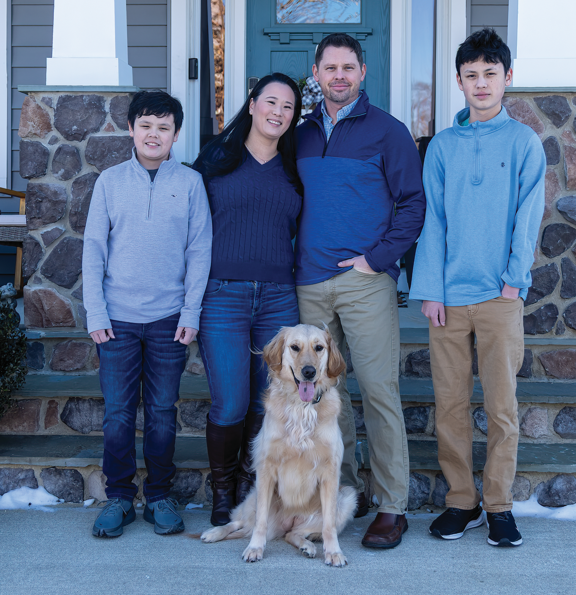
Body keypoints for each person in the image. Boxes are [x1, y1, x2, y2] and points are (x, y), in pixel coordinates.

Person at [409, 28, 546, 548]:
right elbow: (433, 221)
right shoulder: (443, 146)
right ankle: (462, 501)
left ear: (507, 78)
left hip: (499, 298)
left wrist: (514, 282)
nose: (482, 83)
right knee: (450, 407)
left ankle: (499, 506)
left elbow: (527, 217)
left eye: (491, 74)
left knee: (501, 408)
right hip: (447, 299)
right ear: (460, 81)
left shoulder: (524, 142)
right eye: (472, 75)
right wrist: (430, 288)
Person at [295, 33, 426, 550]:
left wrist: (376, 259)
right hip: (309, 281)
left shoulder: (388, 132)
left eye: (348, 67)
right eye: (330, 68)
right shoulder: (301, 134)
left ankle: (393, 505)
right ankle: (346, 492)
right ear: (316, 74)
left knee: (377, 390)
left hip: (364, 281)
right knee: (326, 397)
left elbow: (412, 204)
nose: (339, 76)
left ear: (363, 72)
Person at [83, 90, 212, 538]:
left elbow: (199, 251)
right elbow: (94, 250)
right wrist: (96, 312)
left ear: (175, 134)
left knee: (161, 411)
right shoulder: (110, 182)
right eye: (145, 126)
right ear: (131, 129)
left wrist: (191, 311)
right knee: (118, 413)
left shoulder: (191, 183)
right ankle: (119, 497)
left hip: (169, 319)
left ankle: (159, 496)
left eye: (163, 127)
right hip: (116, 319)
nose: (153, 134)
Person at [193, 74, 303, 527]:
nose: (278, 112)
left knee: (269, 402)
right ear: (253, 104)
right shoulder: (215, 159)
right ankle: (222, 491)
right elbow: (189, 226)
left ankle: (248, 484)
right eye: (271, 102)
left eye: (288, 107)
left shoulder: (296, 168)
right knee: (231, 403)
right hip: (222, 295)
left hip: (279, 298)